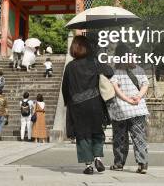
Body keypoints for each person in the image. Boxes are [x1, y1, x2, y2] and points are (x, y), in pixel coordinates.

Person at [62, 35, 114, 175]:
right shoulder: (94, 63)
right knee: (97, 132)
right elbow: (110, 72)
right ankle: (98, 157)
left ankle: (88, 165)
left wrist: (68, 103)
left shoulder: (70, 66)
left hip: (77, 106)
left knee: (83, 135)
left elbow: (65, 88)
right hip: (95, 103)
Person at [107, 43, 150, 174]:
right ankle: (142, 164)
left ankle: (119, 163)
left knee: (120, 138)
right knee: (139, 137)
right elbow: (145, 85)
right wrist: (138, 97)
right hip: (138, 109)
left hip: (121, 111)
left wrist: (126, 99)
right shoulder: (139, 70)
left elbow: (115, 89)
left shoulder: (114, 72)